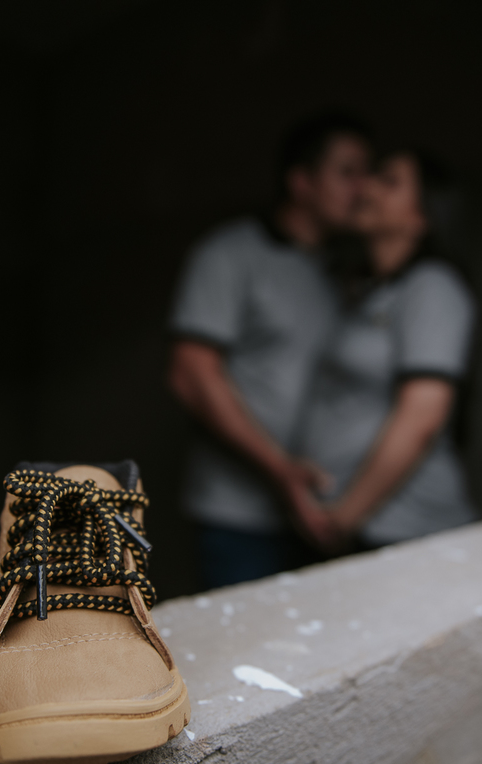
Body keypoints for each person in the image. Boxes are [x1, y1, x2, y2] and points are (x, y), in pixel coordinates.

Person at [166, 112, 371, 588]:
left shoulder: (345, 272)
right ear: (301, 183)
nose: (363, 188)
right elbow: (189, 374)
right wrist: (281, 473)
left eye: (369, 172)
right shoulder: (230, 254)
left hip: (323, 511)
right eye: (347, 172)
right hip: (238, 517)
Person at [300, 147, 477, 550]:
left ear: (421, 217)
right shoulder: (371, 292)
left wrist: (343, 518)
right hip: (359, 527)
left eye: (388, 181)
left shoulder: (432, 287)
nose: (366, 187)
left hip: (404, 531)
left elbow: (422, 416)